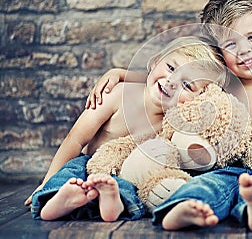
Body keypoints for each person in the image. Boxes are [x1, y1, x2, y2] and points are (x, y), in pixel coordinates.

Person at [85, 0, 252, 231]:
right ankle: (183, 207)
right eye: (231, 45)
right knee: (206, 185)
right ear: (219, 53)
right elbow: (173, 82)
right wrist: (121, 74)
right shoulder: (221, 82)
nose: (244, 51)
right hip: (215, 170)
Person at [27, 36, 228, 222]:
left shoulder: (174, 124)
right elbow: (75, 140)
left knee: (133, 190)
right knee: (71, 172)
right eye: (171, 68)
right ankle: (54, 197)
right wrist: (47, 180)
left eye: (188, 85)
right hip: (89, 164)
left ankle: (111, 202)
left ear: (199, 99)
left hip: (123, 178)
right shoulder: (119, 94)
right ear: (156, 60)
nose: (172, 82)